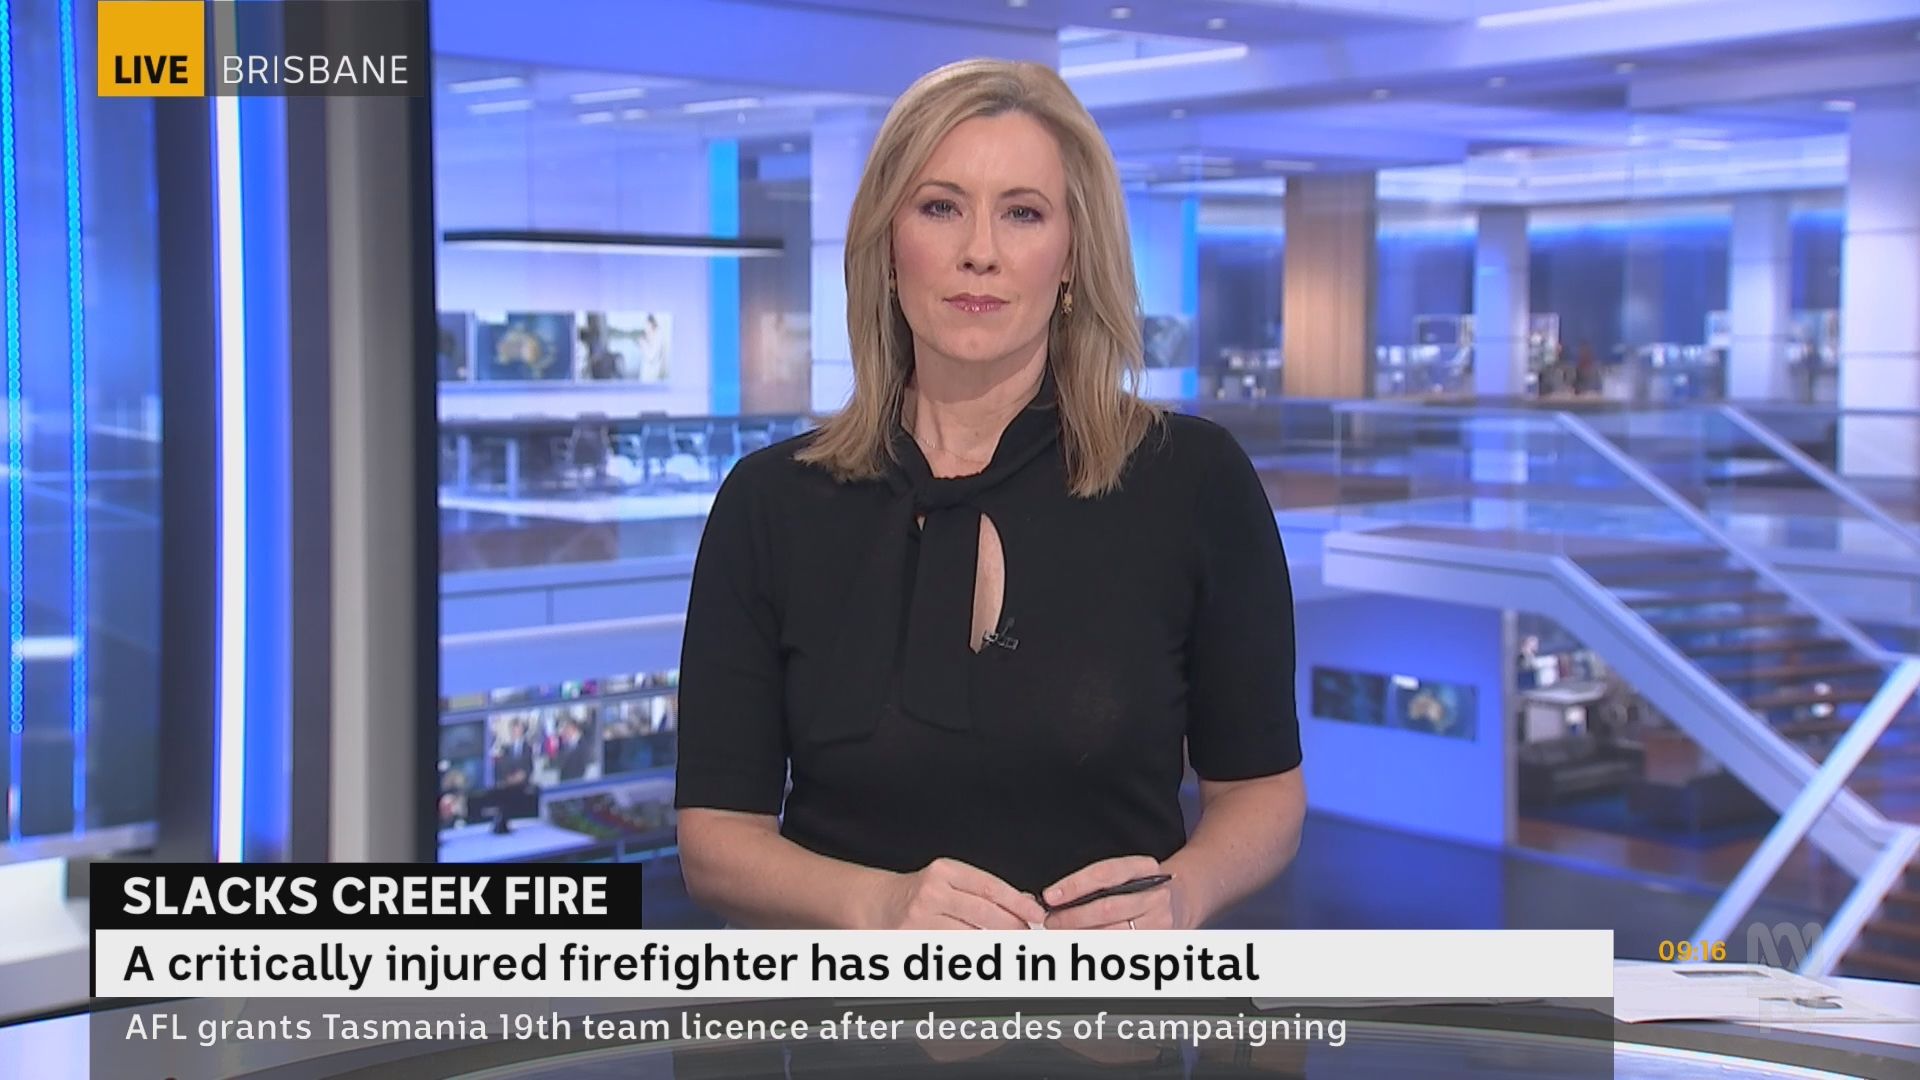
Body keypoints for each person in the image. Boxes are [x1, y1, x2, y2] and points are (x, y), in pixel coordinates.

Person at [673, 59, 1305, 931]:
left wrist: (1183, 893)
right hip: (859, 1012)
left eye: (1022, 212)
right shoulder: (771, 502)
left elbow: (1263, 794)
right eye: (941, 207)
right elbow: (715, 840)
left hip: (1107, 1012)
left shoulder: (1194, 481)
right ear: (886, 248)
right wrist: (881, 906)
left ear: (1072, 256)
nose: (981, 250)